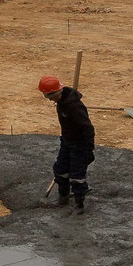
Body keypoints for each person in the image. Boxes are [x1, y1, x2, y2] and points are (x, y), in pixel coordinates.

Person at [41, 74, 95, 212]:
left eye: (50, 96)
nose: (49, 100)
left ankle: (79, 206)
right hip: (66, 141)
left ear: (57, 92)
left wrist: (88, 150)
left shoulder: (74, 106)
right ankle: (63, 198)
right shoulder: (61, 102)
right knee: (60, 170)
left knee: (77, 176)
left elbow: (88, 128)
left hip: (79, 144)